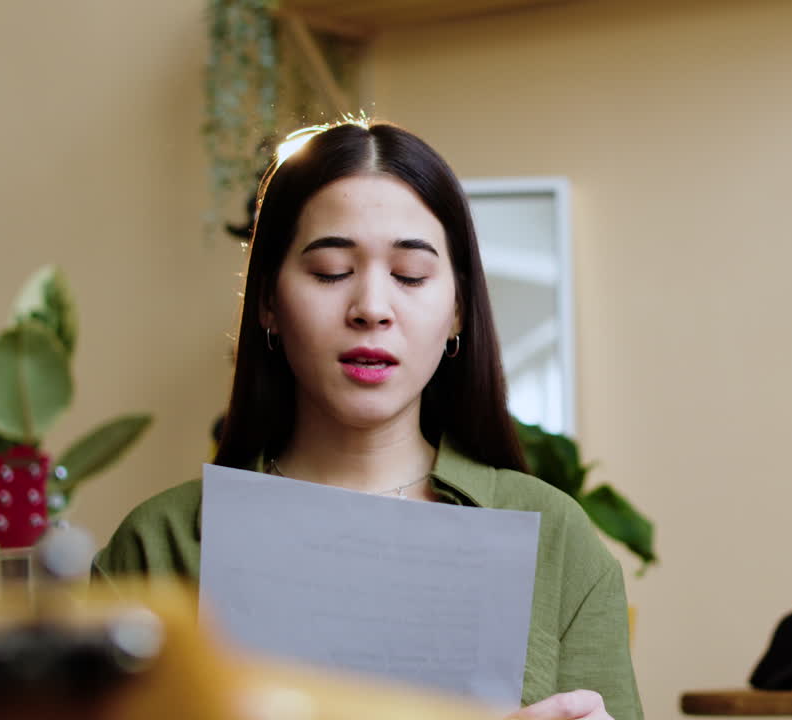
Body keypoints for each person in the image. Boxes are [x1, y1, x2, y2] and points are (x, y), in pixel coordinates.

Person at [92, 121, 642, 720]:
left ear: (458, 309)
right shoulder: (156, 547)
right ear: (269, 303)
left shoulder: (557, 539)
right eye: (331, 270)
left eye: (410, 276)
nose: (372, 308)